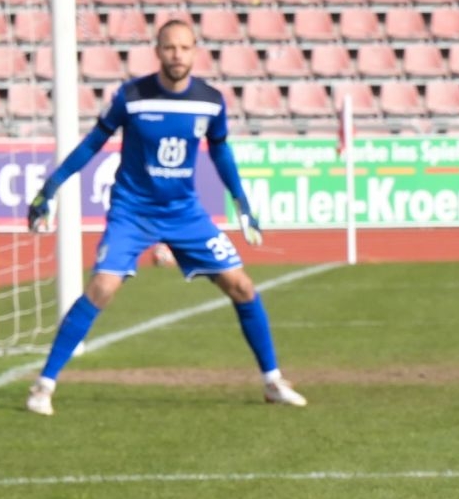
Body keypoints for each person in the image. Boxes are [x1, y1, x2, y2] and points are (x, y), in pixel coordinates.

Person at [23, 20, 305, 416]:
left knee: (242, 286)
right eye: (170, 47)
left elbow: (220, 151)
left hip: (184, 212)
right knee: (102, 287)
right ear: (157, 51)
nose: (177, 55)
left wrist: (241, 201)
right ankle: (44, 385)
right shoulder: (131, 96)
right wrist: (51, 187)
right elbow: (92, 143)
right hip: (133, 211)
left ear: (195, 52)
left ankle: (273, 381)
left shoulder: (210, 101)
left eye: (185, 48)